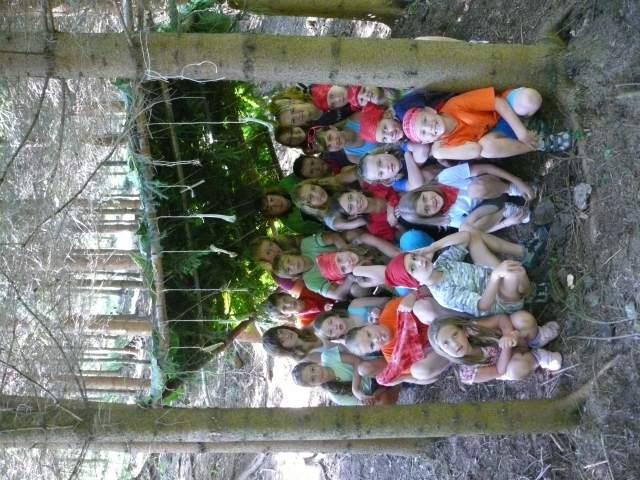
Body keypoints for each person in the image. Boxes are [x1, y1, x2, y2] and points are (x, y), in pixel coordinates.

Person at [383, 229, 550, 324]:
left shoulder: (441, 263)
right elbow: (483, 306)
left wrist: (434, 247)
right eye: (413, 268)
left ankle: (525, 253)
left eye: (414, 257)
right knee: (515, 274)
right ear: (414, 282)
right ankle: (534, 293)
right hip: (498, 301)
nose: (419, 262)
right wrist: (496, 276)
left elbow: (465, 237)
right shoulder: (444, 294)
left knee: (473, 234)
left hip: (490, 274)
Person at [401, 87, 572, 164]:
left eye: (424, 120)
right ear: (427, 142)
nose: (429, 127)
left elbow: (498, 103)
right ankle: (541, 143)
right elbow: (475, 150)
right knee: (486, 149)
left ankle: (529, 125)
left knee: (531, 99)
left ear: (430, 110)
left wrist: (522, 133)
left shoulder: (455, 105)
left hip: (503, 112)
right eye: (424, 133)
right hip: (499, 136)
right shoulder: (445, 145)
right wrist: (439, 153)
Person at [396, 162, 538, 231]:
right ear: (429, 217)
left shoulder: (444, 178)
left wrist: (517, 182)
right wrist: (507, 223)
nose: (431, 202)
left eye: (424, 198)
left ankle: (512, 189)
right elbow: (477, 230)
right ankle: (506, 211)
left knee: (474, 190)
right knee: (465, 229)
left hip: (492, 185)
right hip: (491, 207)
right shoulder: (447, 218)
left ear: (423, 190)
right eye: (427, 210)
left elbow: (486, 168)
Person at [428, 312, 562, 384]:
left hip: (516, 338)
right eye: (445, 343)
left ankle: (538, 338)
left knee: (522, 319)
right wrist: (507, 346)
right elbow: (499, 370)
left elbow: (500, 318)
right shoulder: (466, 373)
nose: (454, 343)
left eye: (455, 335)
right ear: (443, 352)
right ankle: (539, 357)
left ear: (464, 331)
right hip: (508, 362)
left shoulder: (473, 329)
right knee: (517, 369)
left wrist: (507, 334)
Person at [344, 295, 451, 385]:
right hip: (438, 345)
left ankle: (456, 321)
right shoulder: (393, 358)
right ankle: (453, 348)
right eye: (372, 345)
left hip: (441, 320)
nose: (376, 339)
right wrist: (403, 378)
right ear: (374, 351)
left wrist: (414, 295)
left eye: (369, 334)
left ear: (367, 324)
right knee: (418, 371)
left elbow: (422, 294)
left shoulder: (390, 310)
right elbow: (432, 378)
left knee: (420, 307)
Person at [272, 232, 372, 300]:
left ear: (291, 254)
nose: (292, 265)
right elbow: (337, 295)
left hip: (348, 251)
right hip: (350, 273)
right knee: (356, 290)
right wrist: (351, 276)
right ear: (293, 276)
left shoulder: (306, 244)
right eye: (289, 269)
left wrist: (346, 251)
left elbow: (334, 236)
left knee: (351, 234)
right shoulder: (311, 282)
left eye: (289, 260)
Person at [292, 347, 400, 405]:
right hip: (375, 389)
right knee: (377, 405)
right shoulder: (335, 396)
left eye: (312, 369)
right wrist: (365, 401)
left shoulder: (328, 357)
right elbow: (358, 402)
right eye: (313, 379)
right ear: (313, 385)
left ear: (314, 363)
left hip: (374, 370)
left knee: (363, 369)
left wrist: (355, 389)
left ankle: (398, 368)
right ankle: (398, 383)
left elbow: (357, 360)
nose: (317, 374)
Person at [291, 178, 367, 231]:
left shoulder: (332, 184)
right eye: (311, 197)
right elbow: (364, 220)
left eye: (313, 188)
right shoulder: (333, 221)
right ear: (311, 207)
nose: (316, 193)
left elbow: (356, 172)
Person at [357, 144, 443, 191]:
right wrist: (408, 155)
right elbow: (417, 185)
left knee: (424, 152)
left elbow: (422, 148)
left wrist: (415, 164)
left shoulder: (395, 144)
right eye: (381, 173)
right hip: (437, 170)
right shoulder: (394, 182)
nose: (385, 168)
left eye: (380, 162)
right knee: (425, 176)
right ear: (382, 179)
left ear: (380, 152)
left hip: (437, 153)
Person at [267, 87, 352, 128]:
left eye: (293, 110)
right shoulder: (321, 126)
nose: (297, 116)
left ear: (295, 101)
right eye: (293, 120)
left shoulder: (317, 90)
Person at [312, 297, 391, 340]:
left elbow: (386, 299)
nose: (334, 327)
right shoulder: (357, 340)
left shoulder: (355, 304)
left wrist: (379, 309)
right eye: (330, 331)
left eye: (330, 322)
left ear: (335, 315)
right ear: (335, 337)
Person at [256, 189, 324, 235]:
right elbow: (323, 227)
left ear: (274, 194)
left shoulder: (287, 184)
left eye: (271, 199)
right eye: (271, 208)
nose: (276, 204)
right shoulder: (296, 224)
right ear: (273, 215)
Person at [308, 124, 378, 164]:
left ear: (332, 128)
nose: (334, 143)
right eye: (329, 146)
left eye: (330, 137)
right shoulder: (353, 157)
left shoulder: (356, 120)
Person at [262, 325, 336, 362]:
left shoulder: (307, 330)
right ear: (283, 349)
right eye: (282, 340)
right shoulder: (307, 360)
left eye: (281, 331)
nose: (286, 335)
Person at [266, 289, 334, 327]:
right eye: (284, 308)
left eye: (285, 299)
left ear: (288, 295)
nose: (289, 304)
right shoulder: (304, 323)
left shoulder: (307, 290)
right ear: (286, 315)